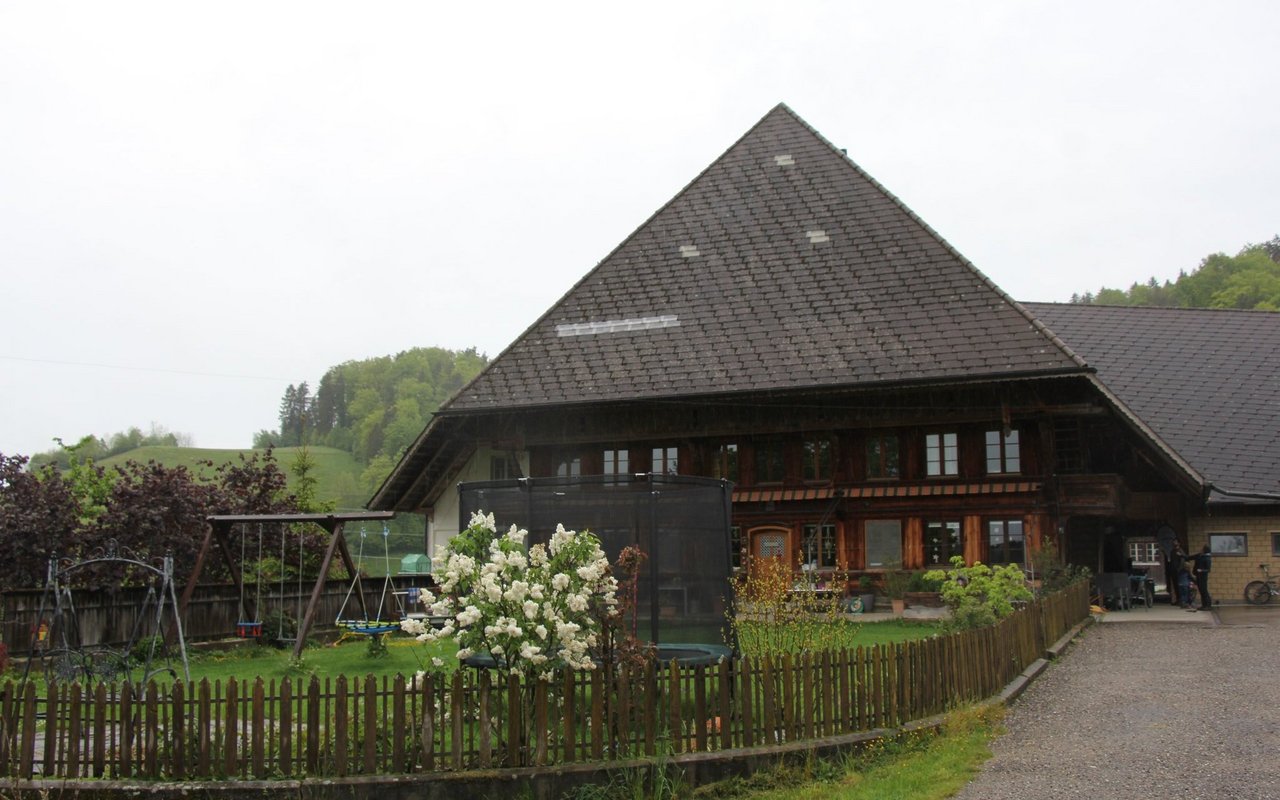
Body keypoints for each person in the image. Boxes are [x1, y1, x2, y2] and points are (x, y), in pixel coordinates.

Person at [1170, 542, 1192, 609]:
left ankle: (1183, 601)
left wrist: (1179, 569)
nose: (1175, 544)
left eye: (1176, 542)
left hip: (1179, 571)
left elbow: (1183, 560)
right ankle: (1179, 600)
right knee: (1177, 586)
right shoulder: (1172, 551)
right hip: (1174, 570)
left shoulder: (1181, 551)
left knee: (1182, 588)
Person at [1192, 543, 1213, 610]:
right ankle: (1204, 605)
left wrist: (1201, 570)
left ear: (1204, 550)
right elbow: (1190, 557)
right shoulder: (1201, 556)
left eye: (1202, 549)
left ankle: (1208, 605)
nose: (1201, 550)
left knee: (1204, 591)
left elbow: (1208, 569)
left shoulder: (1207, 558)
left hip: (1203, 577)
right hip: (1199, 576)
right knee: (1201, 591)